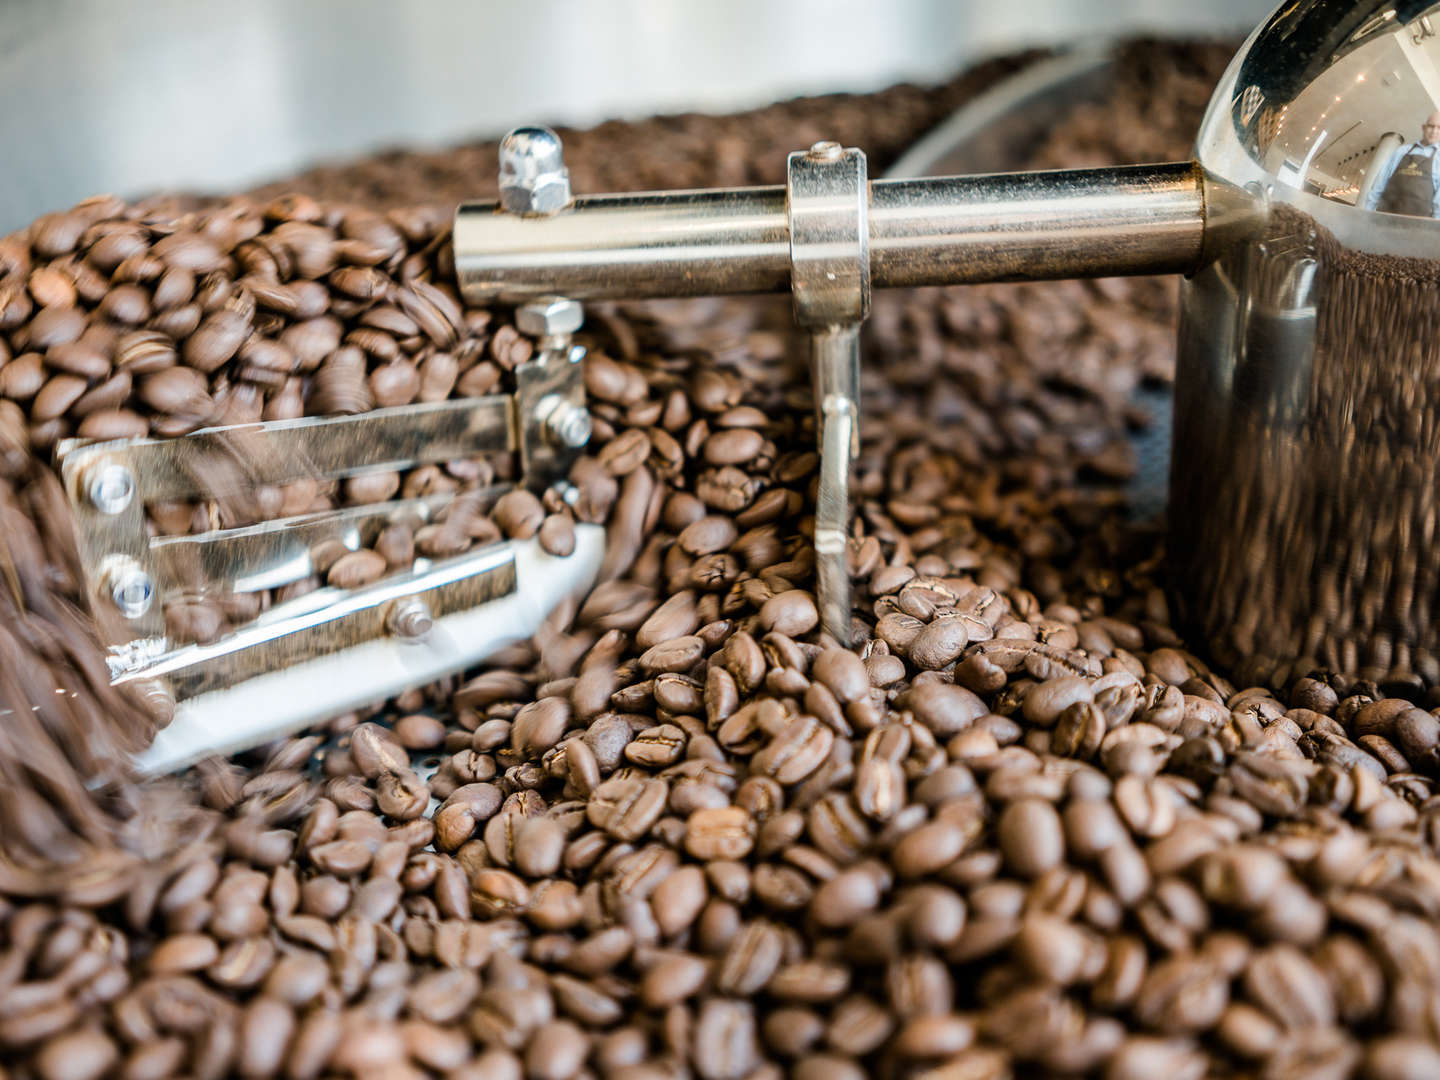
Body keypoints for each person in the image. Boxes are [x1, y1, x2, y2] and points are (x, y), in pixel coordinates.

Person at [1363, 111, 1440, 216]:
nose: (1434, 131)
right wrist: (1366, 214)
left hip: (1418, 226)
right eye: (1431, 126)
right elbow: (1379, 184)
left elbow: (1438, 202)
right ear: (1424, 128)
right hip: (1384, 218)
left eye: (1439, 128)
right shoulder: (1402, 151)